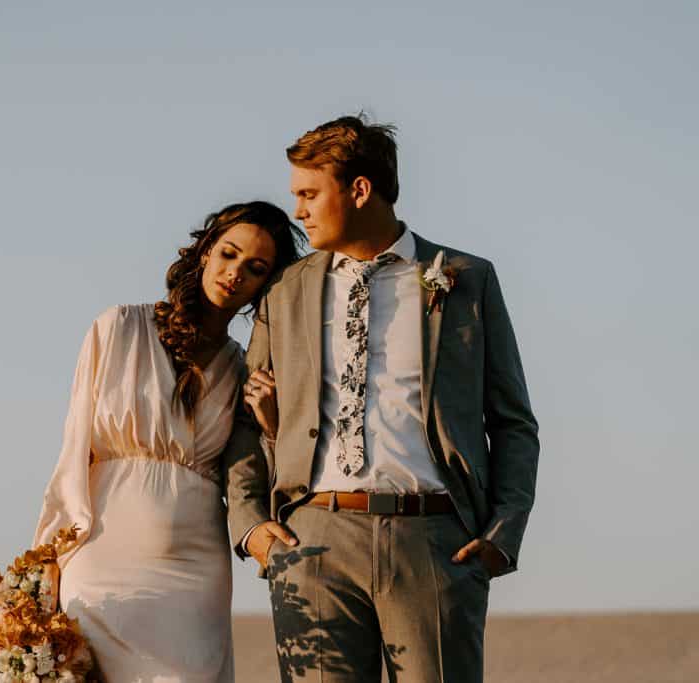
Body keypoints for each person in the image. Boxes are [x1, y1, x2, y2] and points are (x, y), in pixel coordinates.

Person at [223, 115, 540, 682]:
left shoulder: (468, 279)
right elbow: (247, 420)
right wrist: (251, 527)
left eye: (309, 194)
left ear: (360, 189)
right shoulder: (286, 290)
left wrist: (502, 534)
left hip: (436, 541)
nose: (299, 211)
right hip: (312, 539)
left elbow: (513, 422)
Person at [34, 201, 304, 682]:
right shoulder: (117, 329)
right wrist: (45, 563)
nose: (234, 273)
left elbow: (255, 478)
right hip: (101, 562)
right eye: (228, 253)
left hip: (195, 576)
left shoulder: (246, 370)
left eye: (255, 268)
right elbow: (73, 456)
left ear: (266, 286)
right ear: (205, 251)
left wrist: (269, 423)